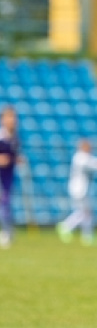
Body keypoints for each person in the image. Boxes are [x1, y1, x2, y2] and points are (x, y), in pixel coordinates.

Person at [56, 139, 97, 245]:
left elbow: (96, 163)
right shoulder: (80, 157)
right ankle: (66, 226)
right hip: (79, 189)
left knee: (86, 213)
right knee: (83, 212)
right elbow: (96, 164)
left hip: (82, 188)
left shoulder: (81, 157)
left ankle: (86, 236)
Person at [0, 106, 24, 249]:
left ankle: (8, 232)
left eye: (14, 117)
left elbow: (13, 156)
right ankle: (7, 233)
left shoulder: (15, 138)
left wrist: (17, 159)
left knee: (6, 204)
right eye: (9, 117)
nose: (12, 120)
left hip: (8, 177)